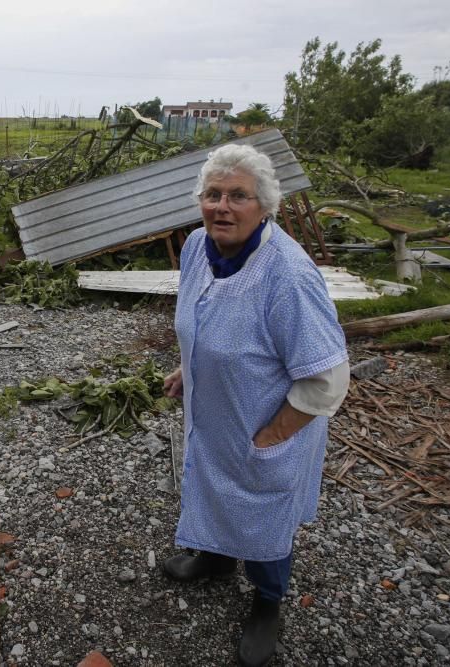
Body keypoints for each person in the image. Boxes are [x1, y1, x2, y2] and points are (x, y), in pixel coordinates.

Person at [162, 143, 350, 667]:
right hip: (218, 413)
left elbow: (328, 380)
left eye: (238, 196)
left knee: (263, 510)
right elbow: (204, 319)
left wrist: (272, 436)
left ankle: (268, 601)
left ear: (264, 205)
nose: (222, 206)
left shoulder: (286, 276)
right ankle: (216, 560)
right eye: (212, 194)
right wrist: (189, 365)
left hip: (268, 425)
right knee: (210, 482)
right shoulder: (200, 245)